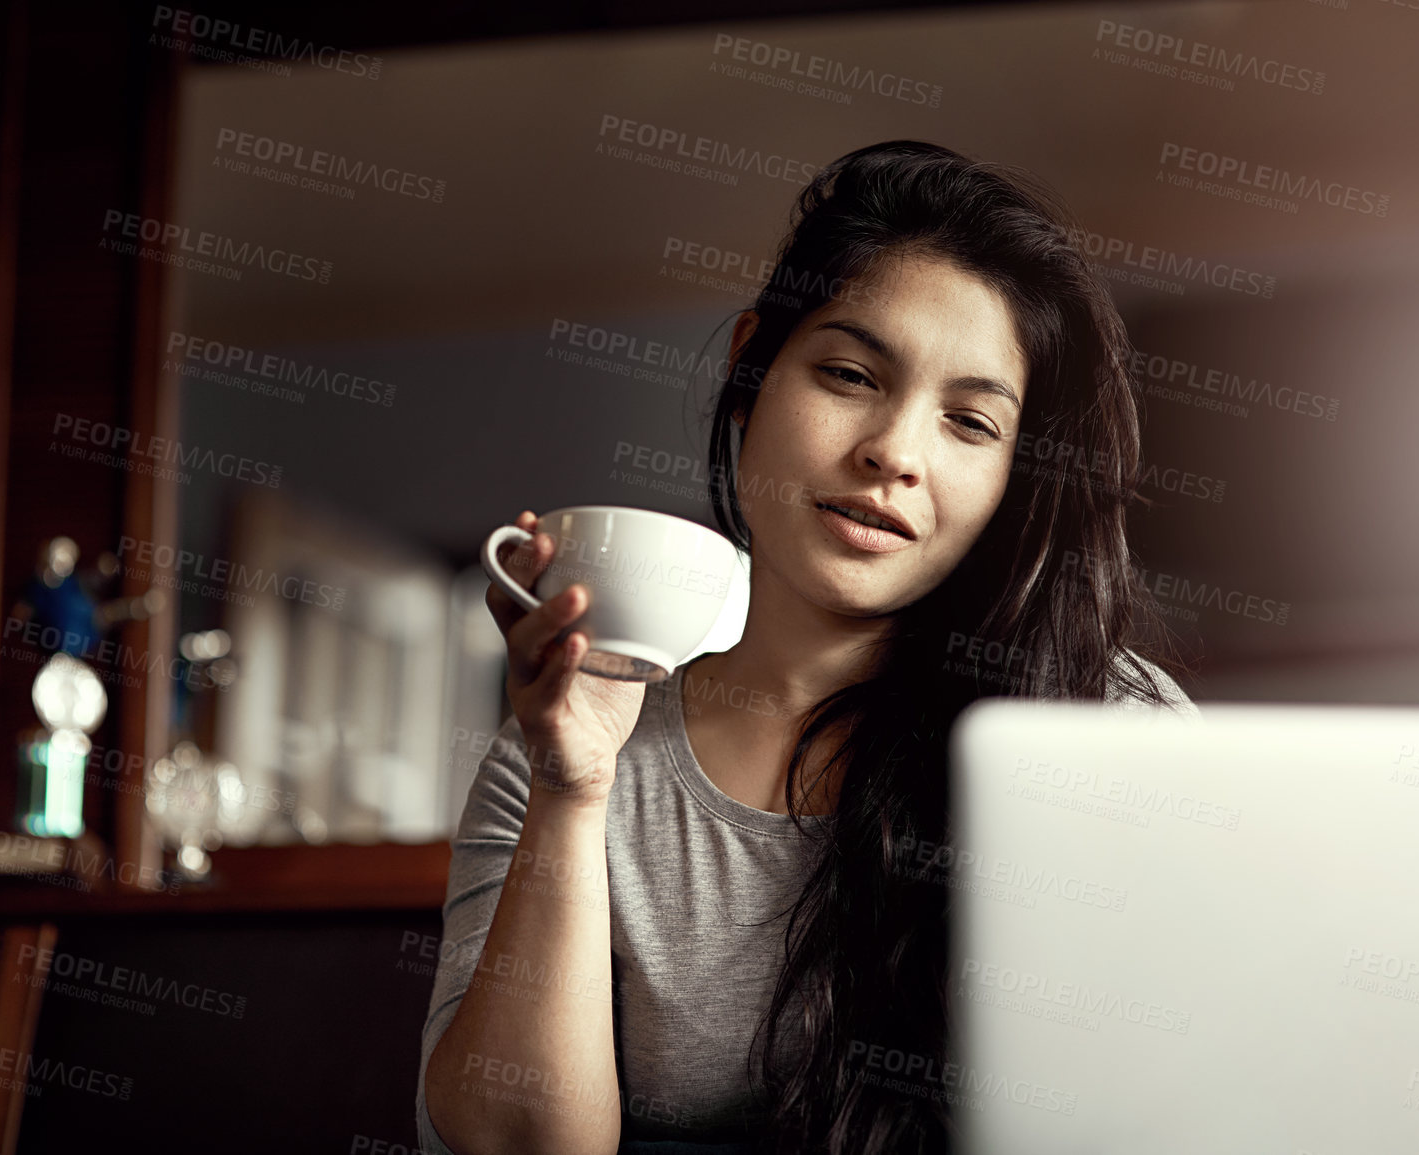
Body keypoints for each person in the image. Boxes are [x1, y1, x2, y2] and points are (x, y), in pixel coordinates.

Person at [416, 140, 1196, 1155]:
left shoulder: (1106, 730)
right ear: (753, 368)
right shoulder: (554, 756)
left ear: (1015, 477)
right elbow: (507, 1148)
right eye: (848, 373)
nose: (894, 453)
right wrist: (574, 787)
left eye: (968, 421)